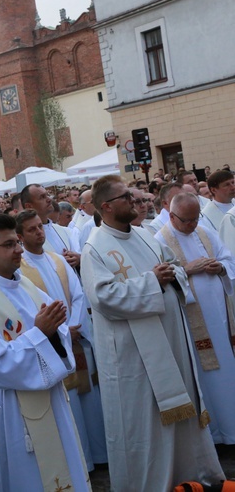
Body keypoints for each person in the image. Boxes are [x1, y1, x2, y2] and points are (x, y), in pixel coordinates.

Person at [80, 175, 223, 489]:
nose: (134, 201)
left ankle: (191, 476)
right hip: (135, 357)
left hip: (171, 341)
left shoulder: (145, 235)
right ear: (106, 206)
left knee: (181, 417)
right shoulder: (95, 248)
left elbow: (173, 267)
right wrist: (151, 280)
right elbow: (103, 298)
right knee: (148, 424)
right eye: (125, 197)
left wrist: (171, 274)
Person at [0, 214, 89, 491]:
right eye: (9, 244)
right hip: (17, 412)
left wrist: (54, 331)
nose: (19, 249)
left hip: (52, 397)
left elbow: (60, 331)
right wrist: (40, 333)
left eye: (17, 242)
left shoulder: (26, 285)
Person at [16, 210, 107, 469]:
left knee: (90, 400)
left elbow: (78, 293)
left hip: (77, 337)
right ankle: (83, 461)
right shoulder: (20, 270)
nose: (39, 232)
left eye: (40, 227)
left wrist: (74, 325)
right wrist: (64, 331)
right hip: (56, 341)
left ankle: (101, 455)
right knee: (73, 405)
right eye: (31, 229)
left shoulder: (57, 259)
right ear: (20, 236)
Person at [154, 192, 235, 444]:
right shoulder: (160, 240)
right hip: (191, 324)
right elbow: (159, 279)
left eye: (195, 219)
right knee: (205, 376)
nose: (191, 225)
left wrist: (220, 268)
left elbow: (228, 258)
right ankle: (212, 434)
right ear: (171, 215)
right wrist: (188, 269)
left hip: (220, 317)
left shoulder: (204, 232)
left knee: (227, 371)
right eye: (186, 221)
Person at [21, 184, 81, 267]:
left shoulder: (63, 230)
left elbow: (77, 255)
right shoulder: (27, 238)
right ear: (29, 206)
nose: (49, 199)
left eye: (47, 195)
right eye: (42, 197)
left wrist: (77, 259)